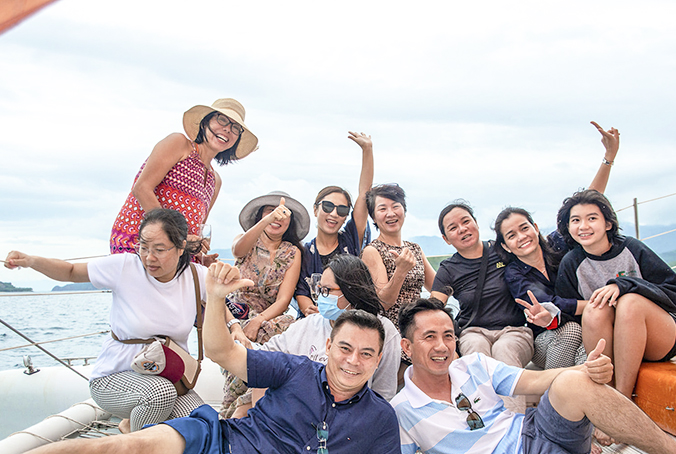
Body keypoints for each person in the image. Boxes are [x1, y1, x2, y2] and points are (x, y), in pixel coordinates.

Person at [25, 262, 402, 454]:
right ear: (330, 346)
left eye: (366, 354)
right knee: (129, 446)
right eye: (346, 349)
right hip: (221, 441)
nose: (353, 361)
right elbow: (223, 353)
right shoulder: (295, 369)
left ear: (379, 359)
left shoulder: (379, 420)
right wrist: (216, 297)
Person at [390, 298, 676, 454]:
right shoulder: (401, 411)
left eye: (448, 336)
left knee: (572, 382)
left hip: (539, 430)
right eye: (429, 337)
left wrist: (586, 369)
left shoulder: (473, 364)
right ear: (407, 346)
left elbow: (538, 381)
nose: (442, 346)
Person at [5, 209, 206, 432]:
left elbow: (223, 302)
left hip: (169, 377)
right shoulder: (124, 267)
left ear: (180, 248)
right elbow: (71, 272)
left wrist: (234, 325)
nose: (149, 257)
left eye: (159, 250)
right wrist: (32, 261)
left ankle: (133, 424)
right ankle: (134, 444)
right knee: (159, 394)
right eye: (143, 247)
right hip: (114, 377)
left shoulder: (196, 276)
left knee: (203, 422)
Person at [493, 122, 621, 369]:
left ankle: (586, 402)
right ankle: (555, 401)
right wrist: (601, 305)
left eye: (524, 228)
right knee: (571, 330)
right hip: (546, 340)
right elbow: (552, 305)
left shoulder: (557, 245)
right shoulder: (516, 273)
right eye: (511, 235)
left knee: (590, 351)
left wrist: (608, 159)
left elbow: (585, 205)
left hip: (589, 326)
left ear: (536, 228)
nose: (521, 237)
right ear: (507, 246)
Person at [223, 254, 401, 418]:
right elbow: (265, 360)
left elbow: (383, 394)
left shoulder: (384, 331)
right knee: (241, 413)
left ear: (350, 290)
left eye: (327, 291)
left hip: (348, 415)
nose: (321, 297)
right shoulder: (309, 324)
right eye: (319, 290)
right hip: (294, 409)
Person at [555, 189, 676, 399]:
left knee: (630, 302)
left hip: (657, 337)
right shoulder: (571, 263)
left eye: (592, 218)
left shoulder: (631, 248)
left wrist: (623, 286)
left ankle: (622, 402)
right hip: (610, 343)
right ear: (568, 227)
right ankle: (608, 400)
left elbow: (674, 292)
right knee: (594, 310)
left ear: (608, 224)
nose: (583, 226)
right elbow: (569, 312)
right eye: (575, 220)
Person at [110, 98, 258, 261]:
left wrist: (201, 256)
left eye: (235, 128)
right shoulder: (180, 144)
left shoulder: (215, 181)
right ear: (205, 122)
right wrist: (178, 237)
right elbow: (142, 188)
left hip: (175, 257)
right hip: (139, 246)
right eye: (222, 119)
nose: (227, 129)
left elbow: (195, 233)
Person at [430, 199, 533, 413]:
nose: (462, 229)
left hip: (514, 330)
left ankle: (514, 427)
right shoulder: (449, 269)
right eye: (453, 228)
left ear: (476, 223)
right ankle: (486, 422)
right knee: (476, 352)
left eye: (466, 221)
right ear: (446, 239)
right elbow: (434, 309)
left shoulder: (503, 250)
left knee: (504, 349)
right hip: (473, 331)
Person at [218, 190, 308, 417]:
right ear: (260, 216)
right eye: (270, 212)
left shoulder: (292, 252)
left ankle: (254, 405)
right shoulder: (246, 241)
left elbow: (284, 299)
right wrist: (268, 219)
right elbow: (237, 251)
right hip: (236, 314)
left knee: (284, 329)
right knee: (241, 346)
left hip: (268, 317)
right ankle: (232, 411)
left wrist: (258, 321)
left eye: (283, 214)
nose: (278, 218)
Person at [361, 183, 436, 382]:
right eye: (382, 209)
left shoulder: (414, 248)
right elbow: (383, 302)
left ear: (404, 210)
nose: (390, 213)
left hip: (419, 322)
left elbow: (436, 286)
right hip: (394, 329)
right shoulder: (372, 250)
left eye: (395, 206)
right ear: (374, 217)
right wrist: (400, 271)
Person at [294, 131, 374, 317]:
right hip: (314, 319)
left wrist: (367, 150)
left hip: (351, 318)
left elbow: (364, 194)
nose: (334, 214)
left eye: (342, 210)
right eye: (328, 207)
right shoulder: (305, 252)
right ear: (315, 210)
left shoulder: (352, 239)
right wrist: (308, 309)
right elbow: (301, 292)